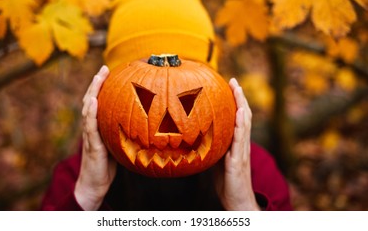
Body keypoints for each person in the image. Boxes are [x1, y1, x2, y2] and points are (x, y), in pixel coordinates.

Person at [40, 65, 293, 211]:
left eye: (189, 101)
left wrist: (246, 209)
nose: (166, 129)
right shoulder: (74, 177)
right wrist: (86, 197)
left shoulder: (258, 173)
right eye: (144, 99)